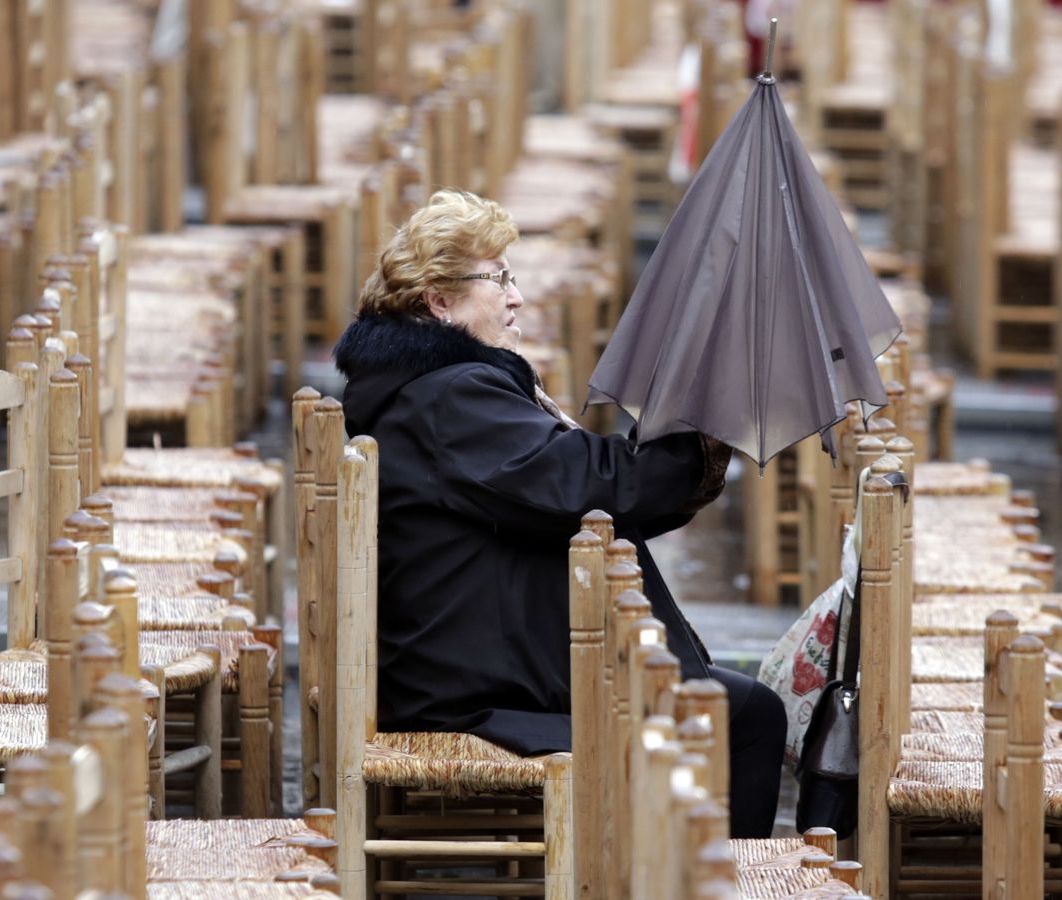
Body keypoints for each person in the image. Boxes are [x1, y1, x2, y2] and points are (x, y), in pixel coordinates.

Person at [335, 189, 785, 837]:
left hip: (471, 656)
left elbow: (572, 488)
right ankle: (699, 882)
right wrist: (699, 413)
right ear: (439, 302)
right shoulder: (452, 397)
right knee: (744, 718)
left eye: (511, 276)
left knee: (734, 702)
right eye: (498, 280)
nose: (516, 297)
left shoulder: (427, 389)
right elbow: (595, 491)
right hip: (473, 687)